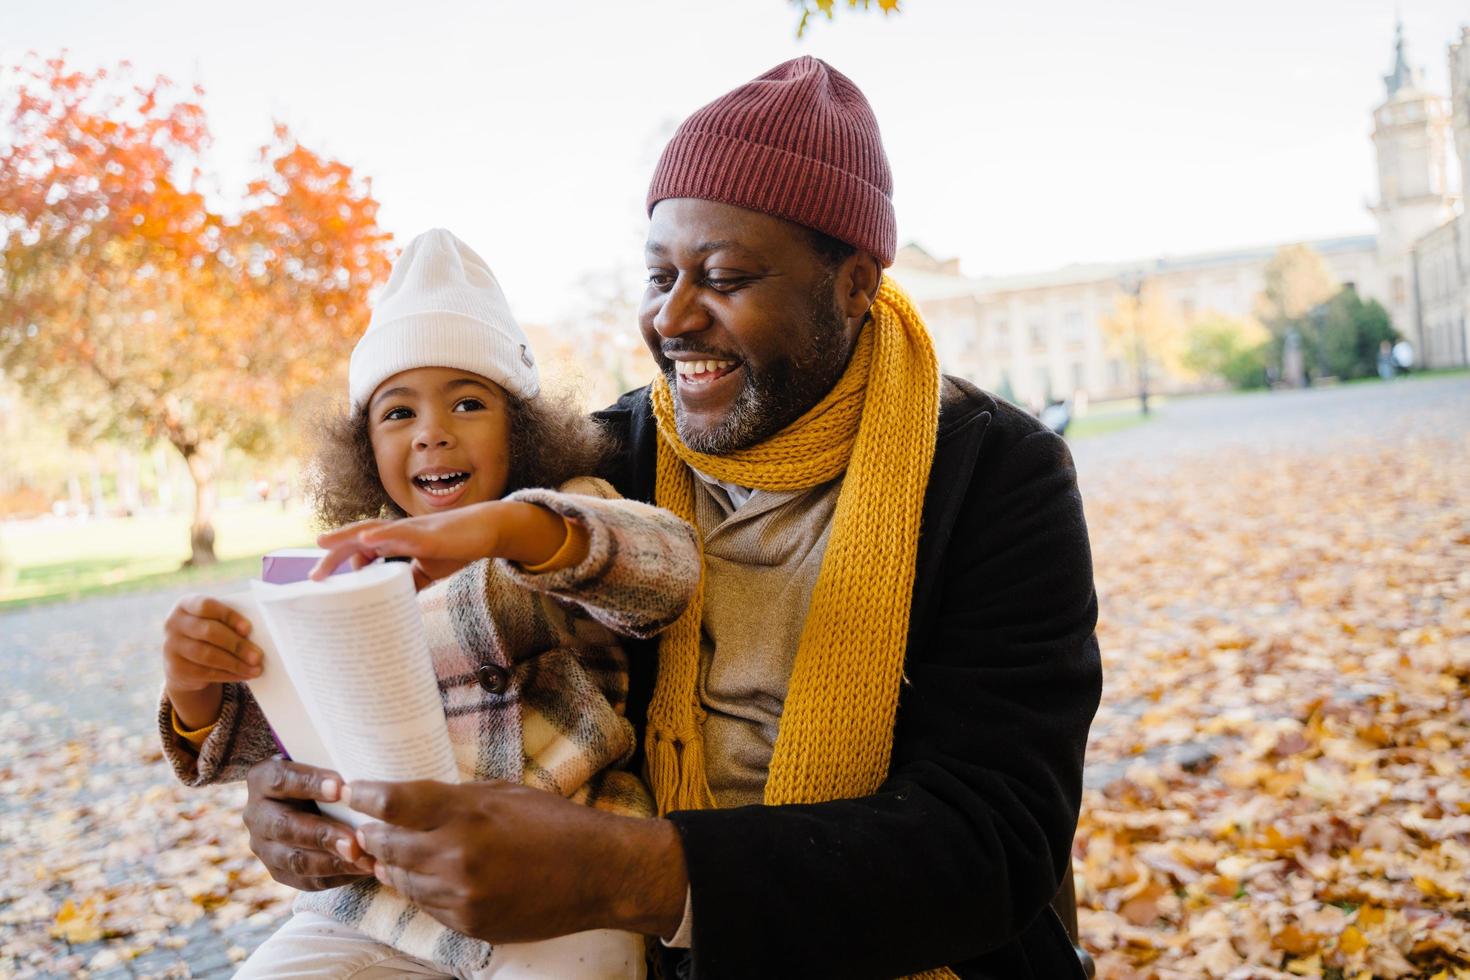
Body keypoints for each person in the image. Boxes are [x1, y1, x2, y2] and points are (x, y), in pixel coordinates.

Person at [239, 58, 1102, 979]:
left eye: (724, 276)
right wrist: (308, 805)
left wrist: (626, 874)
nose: (673, 318)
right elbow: (451, 664)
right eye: (659, 276)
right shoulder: (609, 459)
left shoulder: (993, 473)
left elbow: (994, 841)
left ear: (854, 284)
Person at [157, 229, 700, 978]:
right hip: (373, 907)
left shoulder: (557, 522)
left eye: (468, 403)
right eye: (398, 413)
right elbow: (285, 741)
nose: (432, 434)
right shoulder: (344, 571)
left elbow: (665, 573)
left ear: (522, 425)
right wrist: (197, 689)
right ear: (364, 449)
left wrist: (505, 530)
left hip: (561, 892)